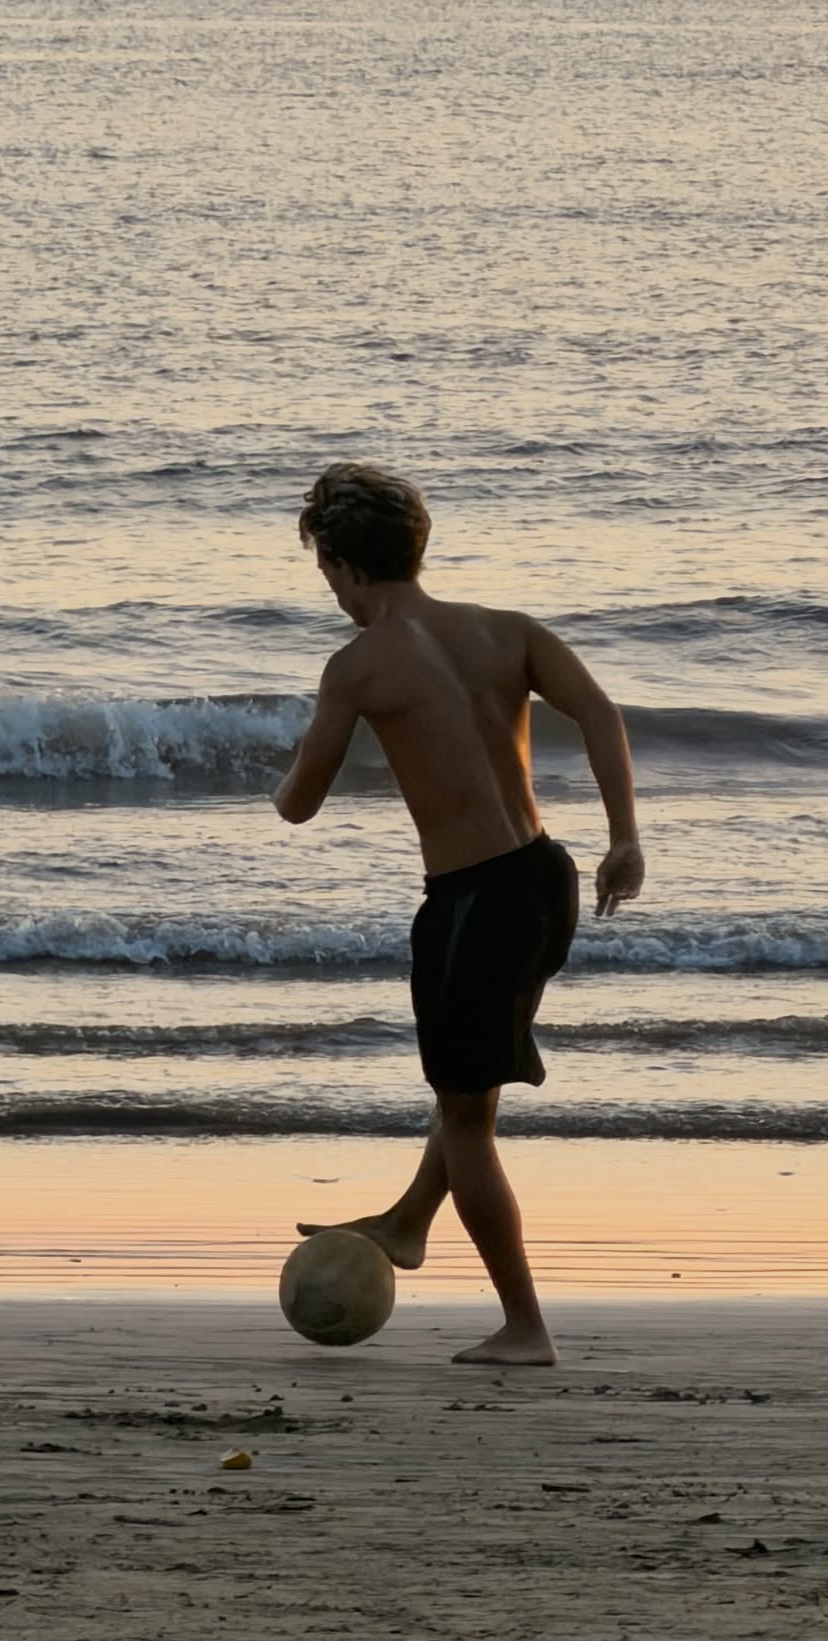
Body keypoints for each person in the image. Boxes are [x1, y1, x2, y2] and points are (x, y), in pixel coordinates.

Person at [275, 463, 644, 1365]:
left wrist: (281, 772)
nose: (330, 591)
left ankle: (525, 1327)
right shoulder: (507, 631)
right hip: (546, 877)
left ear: (345, 565)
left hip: (472, 901)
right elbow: (600, 714)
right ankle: (408, 1221)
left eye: (326, 572)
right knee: (467, 1090)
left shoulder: (357, 668)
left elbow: (300, 803)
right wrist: (625, 838)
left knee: (468, 1120)